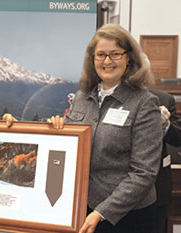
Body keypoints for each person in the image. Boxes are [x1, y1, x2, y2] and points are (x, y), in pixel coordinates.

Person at [47, 24, 163, 233]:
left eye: (115, 54)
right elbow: (74, 147)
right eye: (101, 55)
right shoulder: (82, 97)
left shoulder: (144, 103)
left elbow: (144, 172)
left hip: (128, 215)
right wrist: (58, 130)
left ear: (129, 58)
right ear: (92, 59)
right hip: (83, 205)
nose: (107, 61)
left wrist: (103, 212)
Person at [149, 89, 181, 233]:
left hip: (157, 186)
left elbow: (177, 138)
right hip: (113, 188)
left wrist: (165, 126)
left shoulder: (163, 99)